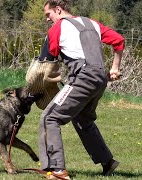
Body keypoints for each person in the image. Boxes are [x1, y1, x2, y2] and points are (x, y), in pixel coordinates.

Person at [37, 0, 125, 179]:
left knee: (50, 117)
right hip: (100, 77)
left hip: (83, 76)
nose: (47, 19)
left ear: (58, 9)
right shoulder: (92, 23)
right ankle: (107, 161)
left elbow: (47, 61)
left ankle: (57, 170)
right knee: (82, 119)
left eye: (48, 14)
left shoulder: (57, 28)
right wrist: (114, 68)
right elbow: (119, 40)